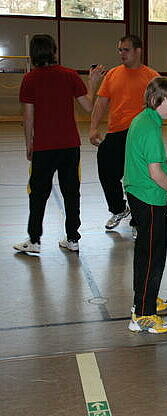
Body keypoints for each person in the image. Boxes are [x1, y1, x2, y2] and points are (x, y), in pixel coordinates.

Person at [14, 34, 104, 254]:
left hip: (43, 147)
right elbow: (89, 107)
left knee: (38, 194)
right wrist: (92, 84)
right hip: (69, 146)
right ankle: (73, 238)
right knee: (71, 192)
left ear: (33, 54)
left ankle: (34, 240)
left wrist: (29, 143)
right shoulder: (70, 75)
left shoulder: (29, 79)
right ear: (54, 51)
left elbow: (28, 117)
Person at [124, 77, 167, 334]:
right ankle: (143, 315)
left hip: (137, 193)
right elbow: (156, 173)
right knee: (153, 257)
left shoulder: (142, 119)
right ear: (155, 99)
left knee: (144, 253)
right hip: (149, 198)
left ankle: (144, 299)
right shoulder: (151, 129)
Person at [89, 35, 159, 231]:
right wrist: (93, 127)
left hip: (140, 135)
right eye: (120, 50)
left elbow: (162, 106)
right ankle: (118, 208)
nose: (122, 53)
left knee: (137, 179)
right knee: (106, 170)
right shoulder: (113, 74)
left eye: (126, 50)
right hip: (116, 132)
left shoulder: (152, 77)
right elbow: (101, 102)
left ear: (138, 51)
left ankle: (138, 220)